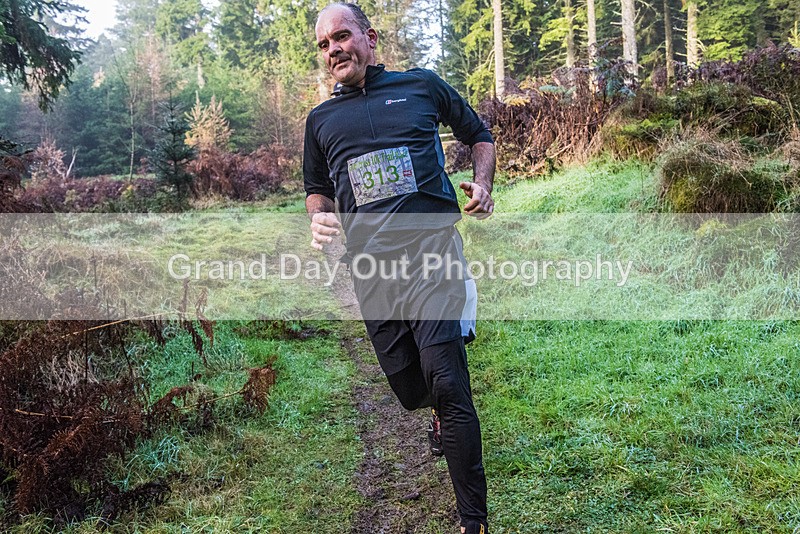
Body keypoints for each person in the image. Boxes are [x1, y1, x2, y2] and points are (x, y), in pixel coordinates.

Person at [303, 4, 496, 533]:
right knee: (414, 390)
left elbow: (478, 135)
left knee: (450, 385)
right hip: (371, 271)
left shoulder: (421, 86)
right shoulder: (320, 121)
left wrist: (483, 184)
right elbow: (317, 190)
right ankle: (434, 403)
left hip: (433, 254)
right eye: (323, 45)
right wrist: (320, 220)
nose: (333, 50)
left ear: (369, 37)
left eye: (341, 37)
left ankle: (473, 522)